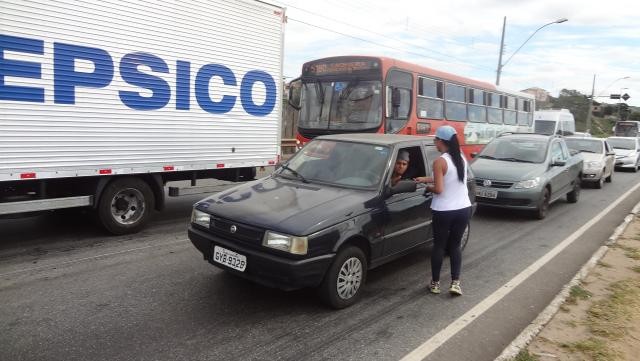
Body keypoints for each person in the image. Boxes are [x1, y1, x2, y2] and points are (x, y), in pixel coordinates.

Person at [414, 126, 471, 296]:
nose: (434, 143)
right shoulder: (461, 158)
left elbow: (439, 189)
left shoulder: (439, 161)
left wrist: (426, 187)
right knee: (454, 246)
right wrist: (425, 178)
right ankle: (455, 283)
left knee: (439, 246)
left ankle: (435, 284)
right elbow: (448, 176)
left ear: (441, 141)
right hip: (463, 209)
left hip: (444, 210)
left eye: (435, 140)